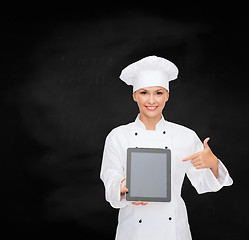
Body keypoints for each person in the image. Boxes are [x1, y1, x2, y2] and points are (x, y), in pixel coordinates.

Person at [100, 55, 233, 240]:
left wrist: (213, 163)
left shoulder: (185, 136)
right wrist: (121, 187)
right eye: (144, 92)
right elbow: (110, 177)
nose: (151, 100)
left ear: (167, 96)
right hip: (133, 231)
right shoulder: (118, 136)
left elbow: (204, 183)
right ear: (134, 96)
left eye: (159, 93)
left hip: (173, 231)